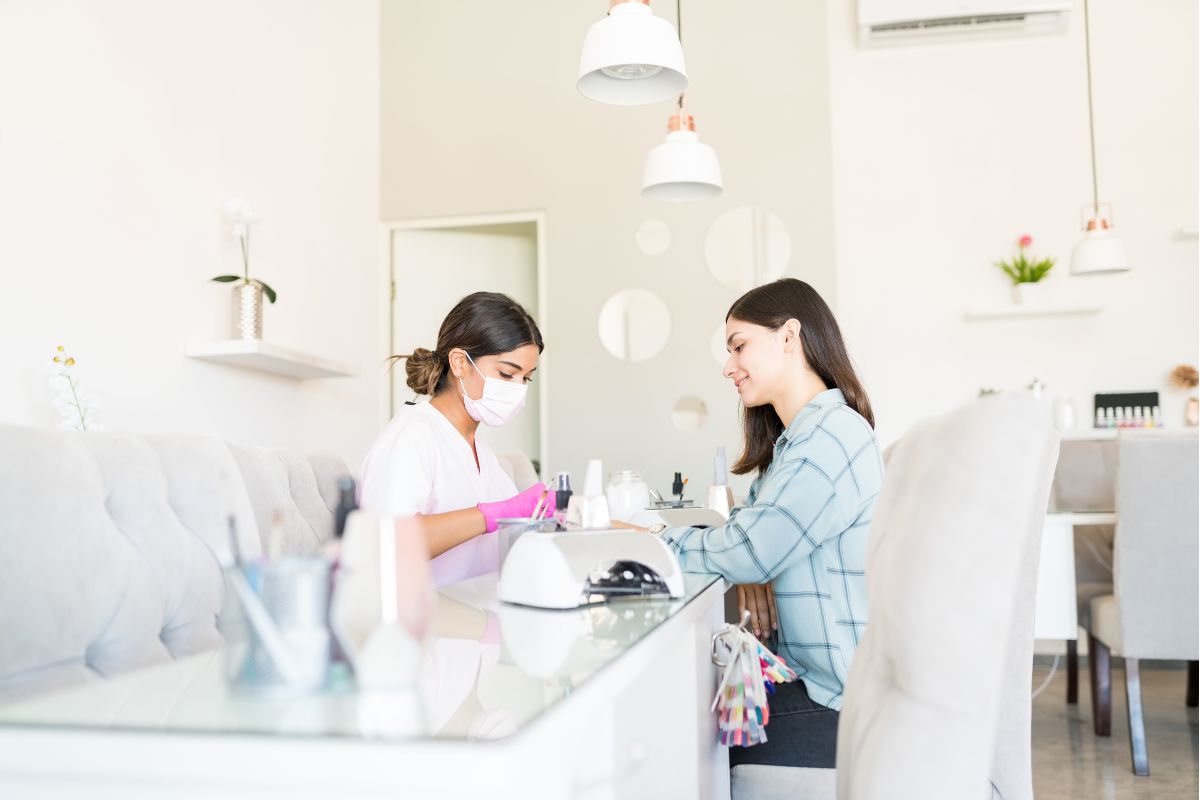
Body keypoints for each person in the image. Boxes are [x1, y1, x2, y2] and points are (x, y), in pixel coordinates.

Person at [624, 278, 883, 769]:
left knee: (686, 740)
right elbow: (750, 537)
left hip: (843, 708)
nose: (728, 367)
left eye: (739, 346)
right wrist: (754, 563)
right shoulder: (796, 444)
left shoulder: (831, 436)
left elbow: (749, 549)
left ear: (790, 337)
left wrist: (655, 542)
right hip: (822, 686)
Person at [359, 291, 553, 587]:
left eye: (526, 378)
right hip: (428, 623)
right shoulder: (412, 437)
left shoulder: (481, 452)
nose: (518, 389)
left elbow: (519, 534)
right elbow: (389, 544)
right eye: (506, 373)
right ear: (460, 362)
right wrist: (496, 514)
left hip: (478, 615)